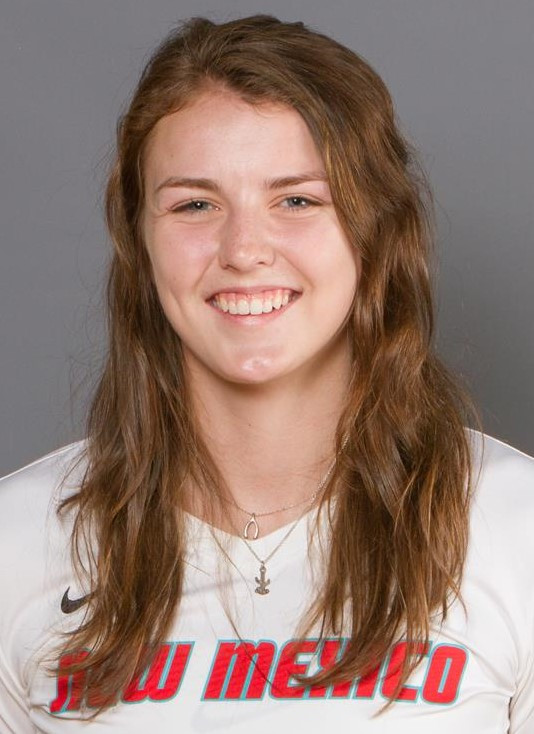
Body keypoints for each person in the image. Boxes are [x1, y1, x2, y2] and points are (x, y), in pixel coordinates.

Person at [0, 14, 533, 733]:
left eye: (298, 200)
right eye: (195, 204)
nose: (244, 249)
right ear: (138, 239)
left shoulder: (515, 528)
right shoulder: (18, 541)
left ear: (376, 230)